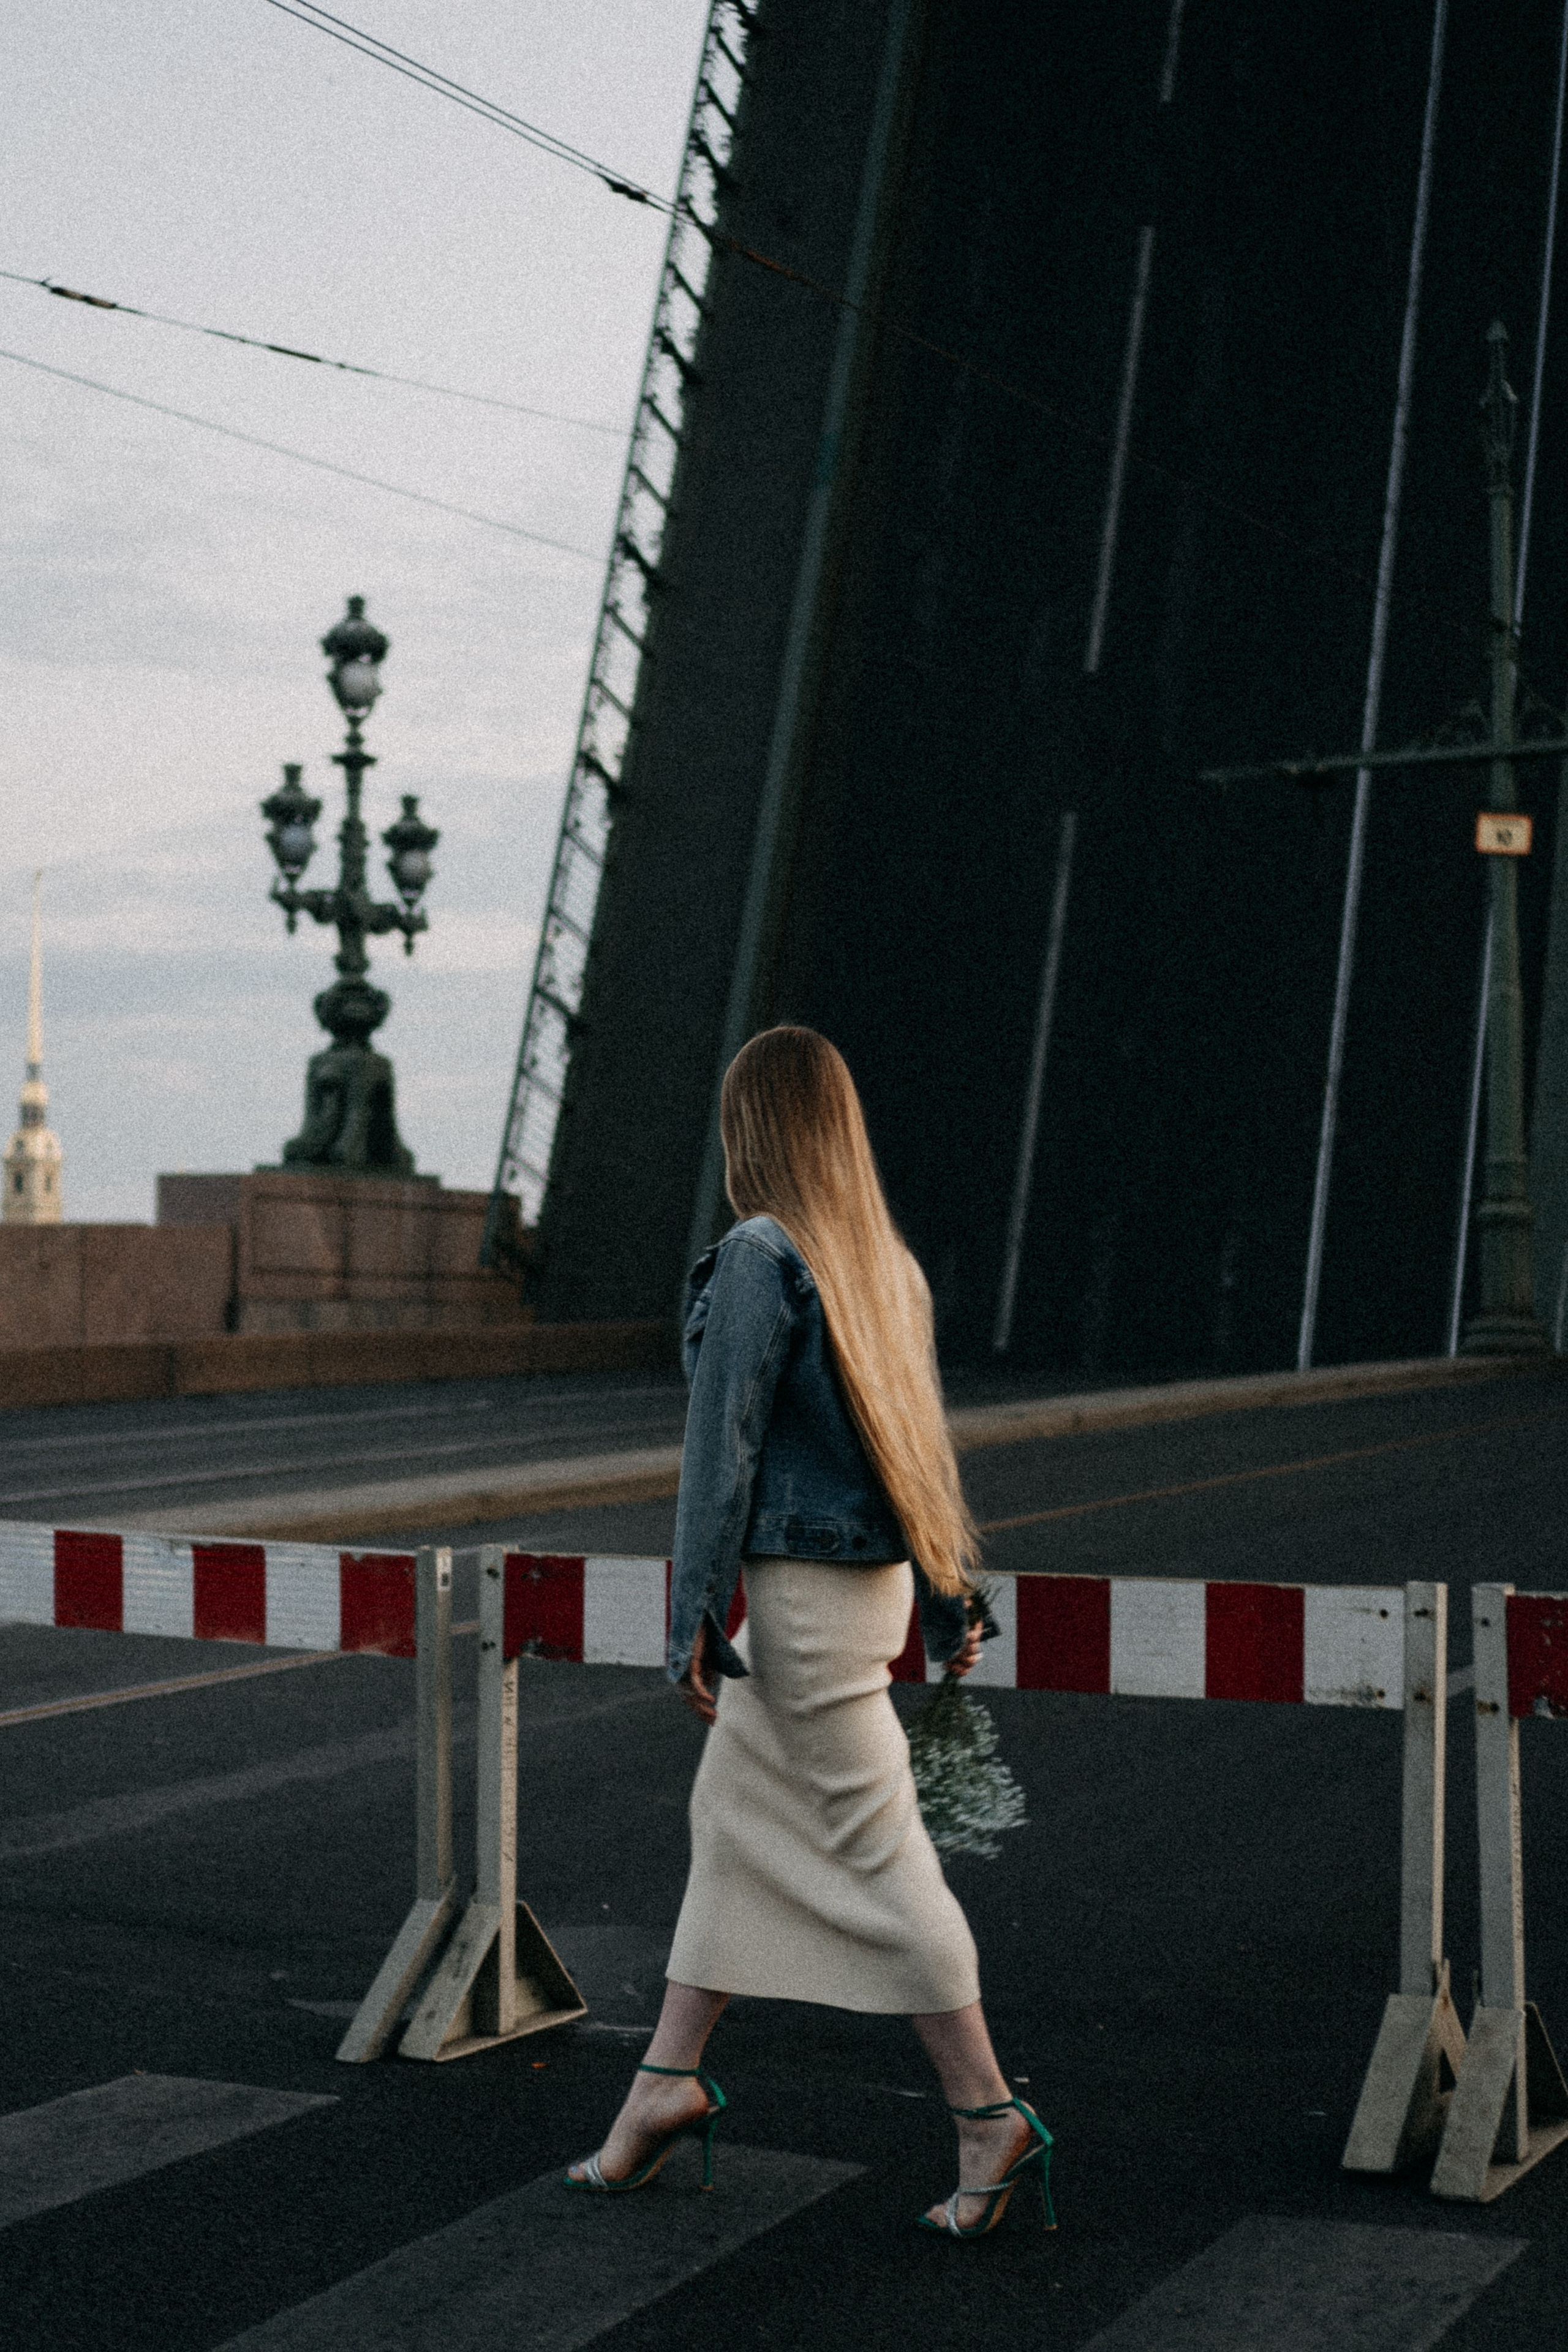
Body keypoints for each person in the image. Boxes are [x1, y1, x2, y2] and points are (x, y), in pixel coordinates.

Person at [565, 1027, 1052, 2239]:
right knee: (732, 1828)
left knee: (878, 1857)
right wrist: (945, 1597)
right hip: (866, 1594)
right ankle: (660, 2090)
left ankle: (987, 2112)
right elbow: (911, 1456)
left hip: (794, 1599)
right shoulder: (879, 1266)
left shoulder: (757, 1256)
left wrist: (691, 1608)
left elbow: (719, 1446)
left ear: (752, 1130)